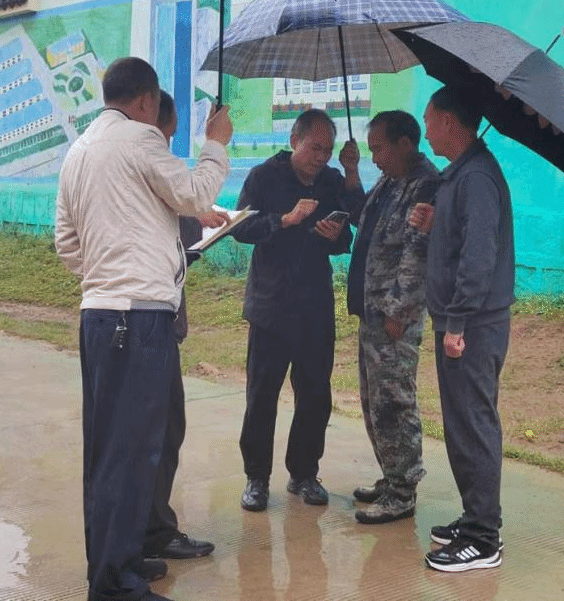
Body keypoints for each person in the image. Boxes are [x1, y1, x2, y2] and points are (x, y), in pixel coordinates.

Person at [55, 57, 232, 601]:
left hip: (101, 315)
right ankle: (116, 585)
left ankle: (116, 563)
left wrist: (108, 273)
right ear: (146, 101)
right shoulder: (139, 139)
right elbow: (195, 196)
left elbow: (66, 243)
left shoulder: (79, 150)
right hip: (136, 319)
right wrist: (216, 143)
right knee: (131, 454)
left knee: (108, 452)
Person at [230, 108, 363, 512]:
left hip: (314, 304)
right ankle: (256, 477)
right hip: (271, 304)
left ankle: (304, 473)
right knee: (262, 395)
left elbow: (349, 235)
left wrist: (335, 234)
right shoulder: (264, 177)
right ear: (294, 141)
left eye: (327, 149)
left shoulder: (332, 181)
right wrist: (285, 220)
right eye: (314, 147)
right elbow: (239, 228)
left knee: (315, 395)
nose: (320, 157)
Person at [413, 84, 514, 573]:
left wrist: (457, 322)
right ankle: (476, 517)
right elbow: (462, 239)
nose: (425, 130)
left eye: (429, 120)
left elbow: (479, 256)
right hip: (459, 320)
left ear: (450, 122)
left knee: (474, 424)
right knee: (461, 423)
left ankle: (483, 538)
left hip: (472, 324)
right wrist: (436, 223)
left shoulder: (476, 177)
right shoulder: (461, 175)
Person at [140, 91, 224, 566]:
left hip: (138, 319)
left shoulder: (101, 156)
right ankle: (147, 536)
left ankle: (150, 531)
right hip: (146, 321)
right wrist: (215, 143)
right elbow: (191, 201)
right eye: (169, 135)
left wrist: (196, 217)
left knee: (163, 431)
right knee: (155, 434)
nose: (168, 146)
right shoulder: (145, 159)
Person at [346, 110, 439, 525]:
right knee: (374, 401)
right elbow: (362, 219)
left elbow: (418, 254)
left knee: (395, 403)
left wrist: (400, 311)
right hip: (372, 310)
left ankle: (402, 492)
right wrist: (351, 172)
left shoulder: (425, 184)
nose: (375, 157)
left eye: (379, 148)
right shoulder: (390, 180)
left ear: (404, 144)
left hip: (393, 315)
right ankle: (390, 476)